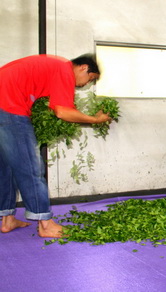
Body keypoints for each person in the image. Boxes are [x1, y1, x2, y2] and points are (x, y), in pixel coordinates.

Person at [0, 54, 111, 237]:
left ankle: (7, 219)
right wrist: (95, 120)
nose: (85, 85)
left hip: (3, 103)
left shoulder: (52, 65)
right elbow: (62, 111)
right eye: (90, 79)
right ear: (83, 67)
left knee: (6, 167)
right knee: (31, 167)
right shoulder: (64, 69)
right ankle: (45, 224)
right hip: (9, 107)